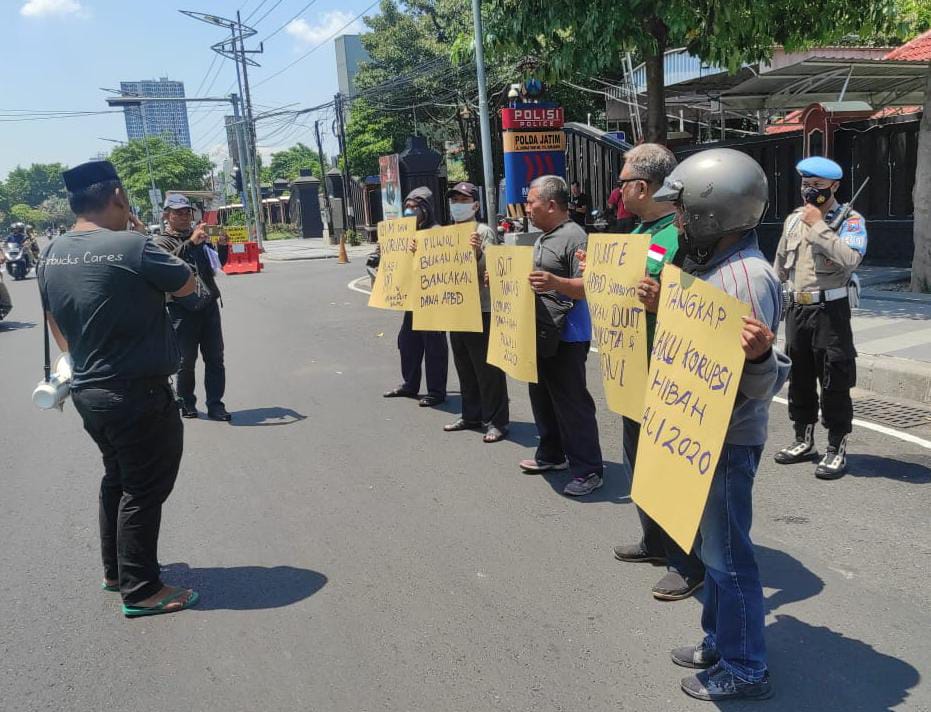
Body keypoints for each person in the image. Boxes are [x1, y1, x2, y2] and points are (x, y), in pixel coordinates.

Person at [650, 148, 790, 701]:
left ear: (714, 212)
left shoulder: (747, 278)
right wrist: (664, 305)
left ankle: (746, 666)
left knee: (730, 558)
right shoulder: (709, 266)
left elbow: (761, 383)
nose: (677, 220)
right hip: (698, 435)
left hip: (727, 440)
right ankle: (719, 638)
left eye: (683, 210)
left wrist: (759, 358)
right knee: (713, 553)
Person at [37, 160, 200, 617]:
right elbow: (188, 286)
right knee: (144, 488)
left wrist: (85, 358)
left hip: (90, 391)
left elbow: (54, 319)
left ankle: (117, 571)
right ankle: (142, 589)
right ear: (117, 197)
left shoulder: (50, 252)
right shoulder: (133, 245)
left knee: (119, 478)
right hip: (138, 393)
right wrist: (138, 235)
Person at [588, 144, 706, 602]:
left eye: (622, 182)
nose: (618, 190)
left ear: (641, 186)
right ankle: (655, 540)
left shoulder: (681, 234)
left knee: (670, 469)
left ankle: (689, 562)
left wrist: (664, 301)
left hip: (667, 369)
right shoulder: (644, 232)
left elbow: (700, 303)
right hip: (635, 367)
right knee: (639, 461)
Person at [773, 157, 867, 479]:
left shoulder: (850, 220)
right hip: (798, 309)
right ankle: (804, 440)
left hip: (831, 311)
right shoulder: (793, 220)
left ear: (833, 187)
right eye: (805, 184)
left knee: (834, 379)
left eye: (817, 186)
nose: (809, 191)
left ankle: (835, 448)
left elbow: (851, 258)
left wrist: (819, 227)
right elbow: (780, 267)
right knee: (798, 377)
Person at [519, 175, 604, 497]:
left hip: (567, 335)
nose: (527, 208)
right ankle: (552, 454)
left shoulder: (575, 237)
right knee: (542, 397)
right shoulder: (544, 237)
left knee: (572, 404)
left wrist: (554, 282)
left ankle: (588, 469)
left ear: (551, 204)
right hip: (541, 332)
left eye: (532, 202)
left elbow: (588, 286)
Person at [442, 182, 509, 443]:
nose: (457, 203)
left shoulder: (482, 232)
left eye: (463, 198)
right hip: (456, 309)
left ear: (475, 204)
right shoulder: (448, 234)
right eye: (454, 199)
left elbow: (492, 270)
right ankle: (471, 415)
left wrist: (475, 252)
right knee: (464, 366)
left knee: (487, 368)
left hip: (481, 309)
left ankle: (497, 421)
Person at [154, 195, 231, 422]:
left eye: (187, 212)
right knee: (186, 361)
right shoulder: (161, 242)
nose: (184, 217)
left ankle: (216, 404)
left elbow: (217, 264)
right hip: (181, 308)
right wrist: (190, 243)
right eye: (178, 213)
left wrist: (223, 247)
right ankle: (187, 401)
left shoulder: (200, 236)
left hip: (208, 304)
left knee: (215, 357)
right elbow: (165, 263)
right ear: (167, 215)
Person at [383, 187, 449, 407]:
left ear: (426, 208)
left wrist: (420, 250)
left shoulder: (437, 232)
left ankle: (436, 391)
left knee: (434, 347)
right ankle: (410, 384)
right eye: (407, 207)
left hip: (433, 300)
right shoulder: (407, 232)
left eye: (414, 207)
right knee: (407, 342)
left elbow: (443, 265)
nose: (409, 211)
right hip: (413, 298)